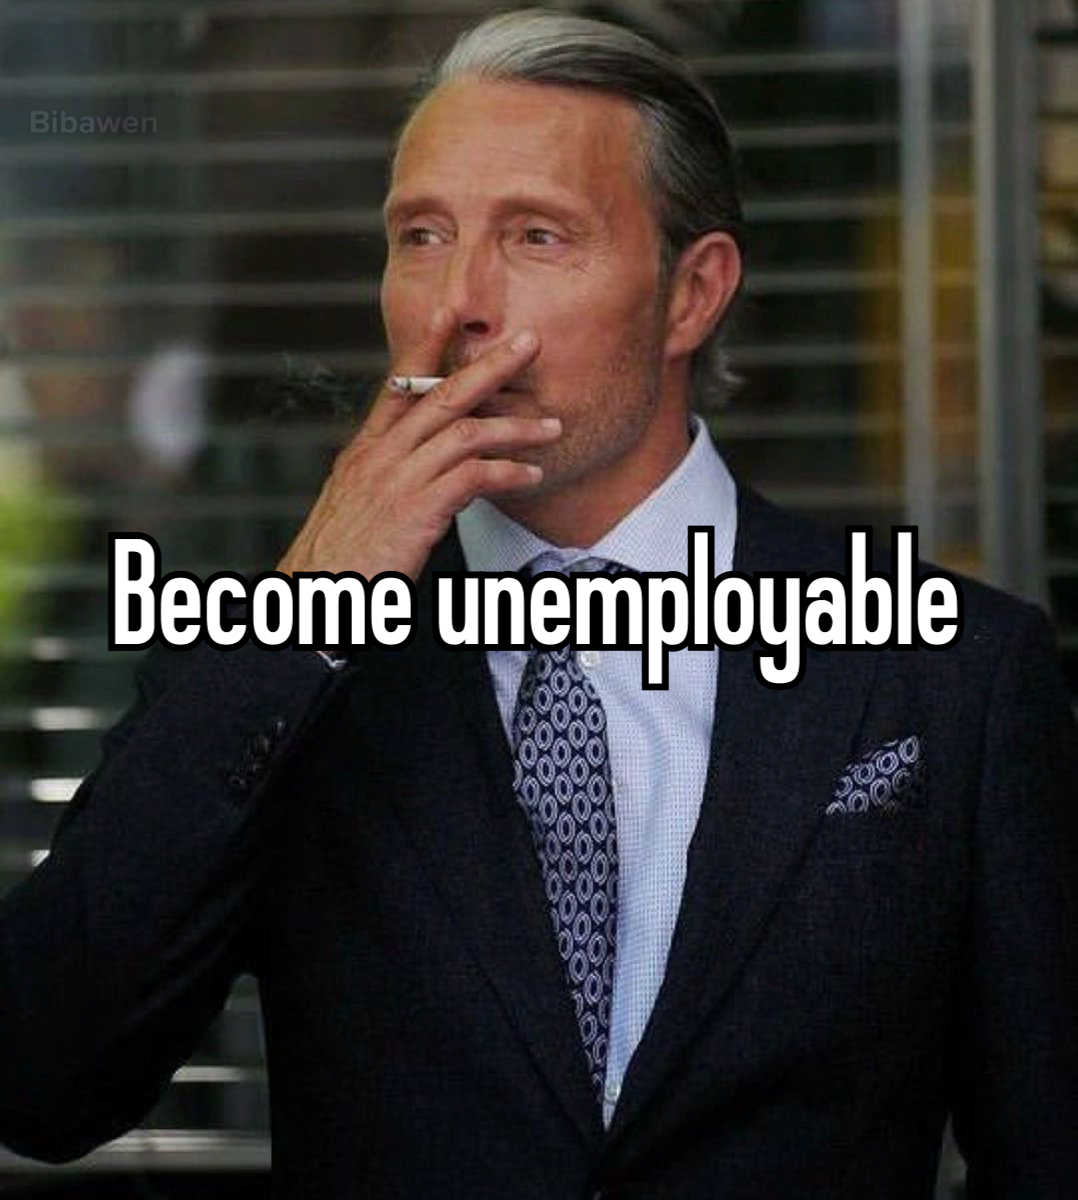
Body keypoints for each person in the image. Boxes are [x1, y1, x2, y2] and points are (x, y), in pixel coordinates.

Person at [2, 9, 1076, 1198]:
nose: (458, 305)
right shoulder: (273, 663)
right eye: (421, 236)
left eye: (536, 236)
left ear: (691, 294)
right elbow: (44, 1076)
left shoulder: (950, 675)